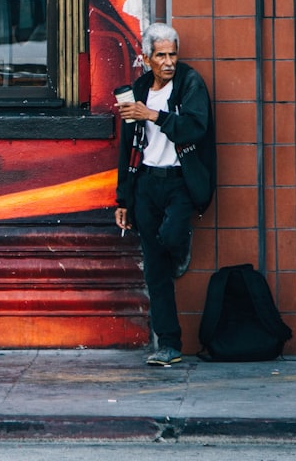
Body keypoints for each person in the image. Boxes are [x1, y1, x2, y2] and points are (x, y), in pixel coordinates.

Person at [115, 23, 215, 367]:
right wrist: (123, 199)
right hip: (146, 183)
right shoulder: (139, 88)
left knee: (171, 236)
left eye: (173, 54)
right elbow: (128, 145)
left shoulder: (189, 83)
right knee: (155, 270)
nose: (169, 62)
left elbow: (195, 127)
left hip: (179, 182)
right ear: (146, 58)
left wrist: (154, 115)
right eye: (161, 55)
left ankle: (178, 245)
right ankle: (169, 345)